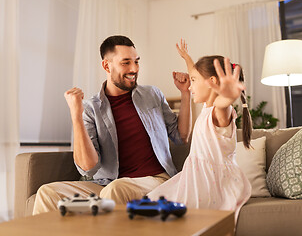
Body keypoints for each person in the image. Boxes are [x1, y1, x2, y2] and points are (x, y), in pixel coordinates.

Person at [32, 35, 192, 215]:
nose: (134, 69)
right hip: (106, 184)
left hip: (154, 179)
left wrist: (185, 94)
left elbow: (181, 137)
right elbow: (89, 168)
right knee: (48, 193)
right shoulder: (91, 108)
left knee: (116, 189)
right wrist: (76, 116)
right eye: (126, 63)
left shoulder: (152, 94)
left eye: (136, 62)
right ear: (107, 66)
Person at [148, 40, 252, 215]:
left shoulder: (219, 113)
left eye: (194, 81)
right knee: (151, 202)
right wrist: (187, 58)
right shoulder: (206, 107)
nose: (190, 85)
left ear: (212, 82)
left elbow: (222, 105)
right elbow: (196, 74)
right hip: (196, 178)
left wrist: (227, 97)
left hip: (214, 183)